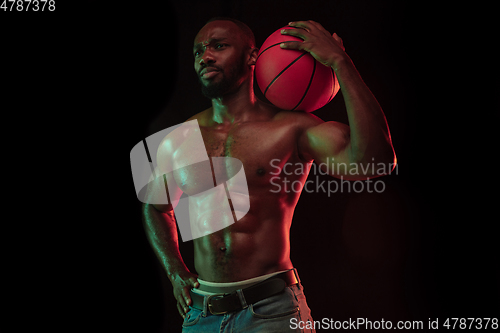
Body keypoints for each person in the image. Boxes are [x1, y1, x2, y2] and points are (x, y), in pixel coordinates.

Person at [142, 17, 396, 332]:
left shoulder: (290, 127)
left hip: (272, 313)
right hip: (201, 317)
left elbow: (376, 160)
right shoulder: (179, 138)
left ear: (253, 57)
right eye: (198, 51)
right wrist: (175, 271)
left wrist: (340, 63)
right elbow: (154, 206)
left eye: (219, 46)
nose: (204, 57)